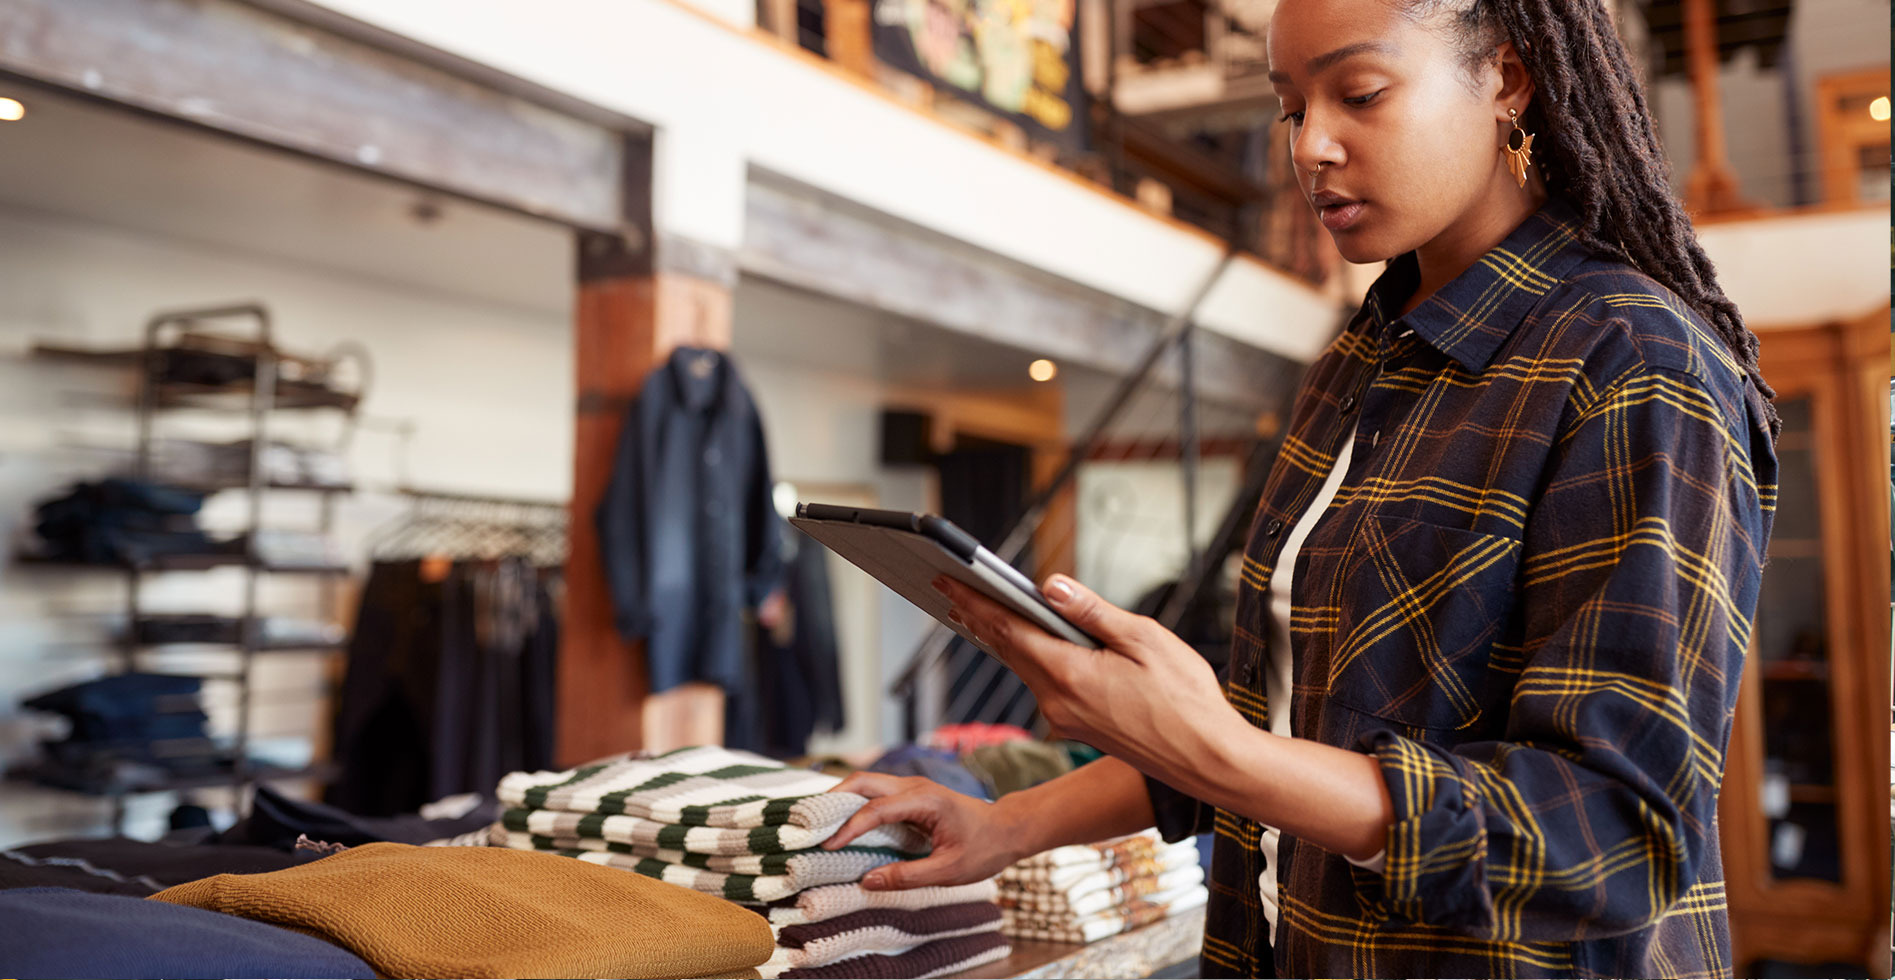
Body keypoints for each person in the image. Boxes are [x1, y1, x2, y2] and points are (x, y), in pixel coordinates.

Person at [823, 0, 1779, 976]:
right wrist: (1006, 821)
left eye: (1358, 93)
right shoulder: (1353, 365)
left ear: (1506, 77)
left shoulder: (1634, 361)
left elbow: (1613, 836)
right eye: (1288, 108)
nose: (1311, 145)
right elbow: (1282, 723)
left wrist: (1212, 751)